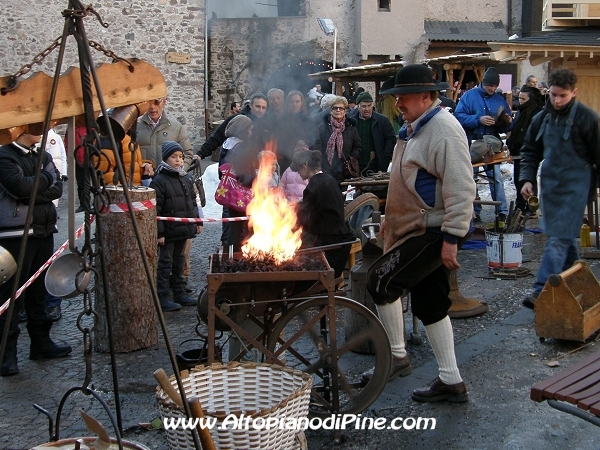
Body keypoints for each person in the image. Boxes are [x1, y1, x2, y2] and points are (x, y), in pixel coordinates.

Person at [362, 64, 476, 403]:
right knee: (431, 304)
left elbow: (461, 188)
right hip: (413, 226)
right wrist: (390, 220)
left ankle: (397, 356)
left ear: (427, 96)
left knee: (380, 280)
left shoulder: (444, 130)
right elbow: (403, 182)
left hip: (434, 230)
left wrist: (452, 239)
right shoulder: (413, 129)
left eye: (404, 96)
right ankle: (451, 381)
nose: (398, 102)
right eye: (396, 97)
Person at [519, 68, 600, 309]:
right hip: (551, 186)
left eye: (562, 96)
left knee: (558, 239)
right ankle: (582, 292)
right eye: (553, 95)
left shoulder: (588, 118)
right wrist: (527, 179)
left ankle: (540, 290)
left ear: (573, 93)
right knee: (564, 243)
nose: (556, 100)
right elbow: (530, 152)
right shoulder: (541, 118)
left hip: (577, 186)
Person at [0, 131, 72, 376]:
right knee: (12, 295)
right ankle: (6, 355)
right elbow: (20, 188)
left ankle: (40, 344)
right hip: (16, 235)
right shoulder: (4, 156)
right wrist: (41, 179)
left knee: (39, 291)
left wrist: (35, 184)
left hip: (42, 230)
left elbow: (57, 188)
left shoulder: (40, 155)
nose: (40, 131)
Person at [455, 67, 512, 222]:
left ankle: (502, 211)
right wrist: (477, 120)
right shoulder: (468, 97)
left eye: (494, 86)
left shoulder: (500, 99)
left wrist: (506, 122)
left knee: (496, 178)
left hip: (492, 145)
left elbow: (507, 125)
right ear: (483, 83)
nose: (492, 89)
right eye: (489, 86)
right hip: (472, 143)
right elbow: (458, 117)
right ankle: (474, 211)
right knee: (471, 178)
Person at [150, 142, 202, 312]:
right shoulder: (159, 181)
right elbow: (156, 209)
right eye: (174, 157)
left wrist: (196, 221)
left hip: (182, 229)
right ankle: (162, 296)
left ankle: (180, 292)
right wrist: (160, 232)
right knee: (165, 263)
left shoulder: (185, 178)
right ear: (166, 158)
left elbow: (192, 202)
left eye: (180, 157)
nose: (179, 160)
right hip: (168, 231)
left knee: (180, 262)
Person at [291, 149, 354, 277]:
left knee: (294, 254)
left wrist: (289, 216)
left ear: (305, 167)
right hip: (340, 236)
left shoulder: (314, 185)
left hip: (327, 242)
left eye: (298, 171)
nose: (298, 174)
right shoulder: (328, 179)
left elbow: (306, 218)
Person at [39, 129, 68, 322]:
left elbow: (58, 178)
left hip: (47, 212)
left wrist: (54, 178)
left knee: (45, 260)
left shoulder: (53, 137)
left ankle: (51, 304)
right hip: (21, 218)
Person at [506, 86, 543, 214]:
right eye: (519, 98)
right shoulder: (523, 111)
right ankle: (521, 205)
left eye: (523, 98)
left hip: (528, 152)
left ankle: (530, 207)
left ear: (531, 99)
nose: (520, 101)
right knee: (518, 179)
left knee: (527, 179)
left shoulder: (535, 112)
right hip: (519, 150)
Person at [219, 115, 254, 248]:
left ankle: (230, 250)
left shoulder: (227, 144)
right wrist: (255, 181)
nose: (251, 133)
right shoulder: (241, 147)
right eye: (249, 130)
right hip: (241, 193)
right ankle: (239, 252)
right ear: (243, 130)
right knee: (242, 226)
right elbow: (243, 173)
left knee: (233, 224)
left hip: (231, 192)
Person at [315, 96, 362, 186]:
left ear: (345, 111)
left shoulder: (351, 128)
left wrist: (352, 159)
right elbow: (318, 147)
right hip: (327, 169)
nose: (338, 110)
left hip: (345, 171)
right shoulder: (322, 127)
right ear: (330, 110)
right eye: (335, 108)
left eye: (341, 108)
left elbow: (357, 146)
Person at [347, 91, 396, 173]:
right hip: (356, 166)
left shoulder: (382, 121)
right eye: (363, 106)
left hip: (377, 166)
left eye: (369, 106)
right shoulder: (351, 121)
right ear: (358, 107)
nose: (367, 109)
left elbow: (390, 139)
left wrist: (385, 157)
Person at [137, 97, 194, 169]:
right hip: (143, 178)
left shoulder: (176, 127)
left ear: (164, 102)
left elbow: (187, 154)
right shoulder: (135, 126)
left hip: (168, 179)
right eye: (149, 103)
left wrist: (178, 173)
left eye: (156, 103)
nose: (152, 107)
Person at [275, 90, 316, 172]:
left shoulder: (308, 120)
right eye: (291, 102)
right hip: (286, 161)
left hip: (305, 161)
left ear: (301, 103)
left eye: (297, 101)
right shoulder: (281, 120)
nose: (294, 104)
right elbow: (277, 140)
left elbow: (315, 140)